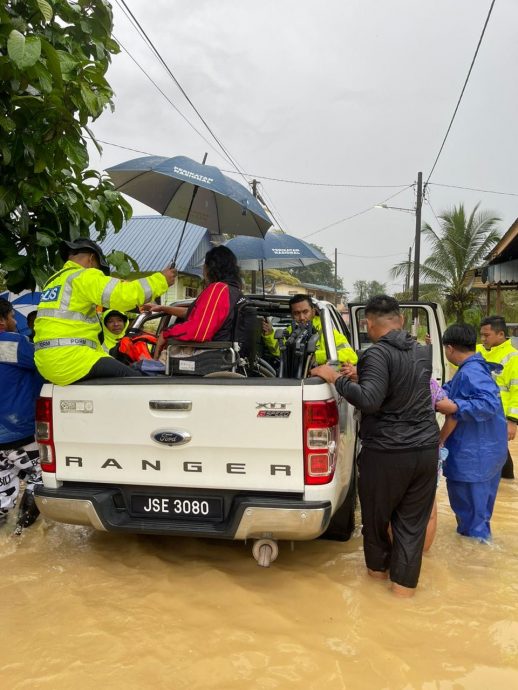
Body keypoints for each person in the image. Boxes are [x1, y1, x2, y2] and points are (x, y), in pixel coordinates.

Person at [311, 295, 439, 598]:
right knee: (410, 529)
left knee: (376, 523)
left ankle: (375, 583)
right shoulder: (422, 351)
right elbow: (402, 386)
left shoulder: (376, 353)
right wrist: (363, 375)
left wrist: (334, 379)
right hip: (425, 451)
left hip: (387, 452)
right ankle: (402, 598)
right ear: (402, 320)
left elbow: (369, 401)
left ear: (368, 324)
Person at [34, 239, 175, 385]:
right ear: (92, 259)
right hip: (71, 359)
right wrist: (161, 280)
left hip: (46, 362)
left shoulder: (53, 281)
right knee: (137, 381)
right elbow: (123, 295)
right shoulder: (83, 276)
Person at [436, 324, 507, 542]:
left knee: (473, 520)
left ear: (449, 349)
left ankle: (476, 560)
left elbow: (488, 403)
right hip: (485, 454)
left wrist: (455, 407)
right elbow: (454, 391)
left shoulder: (471, 372)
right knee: (478, 516)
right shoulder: (475, 368)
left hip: (473, 457)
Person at [152, 245, 243, 357]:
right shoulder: (234, 291)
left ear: (211, 267)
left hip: (205, 356)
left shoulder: (218, 289)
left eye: (204, 265)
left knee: (137, 368)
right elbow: (195, 313)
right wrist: (163, 308)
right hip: (221, 354)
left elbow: (199, 331)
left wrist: (167, 333)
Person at [0, 299, 43, 531]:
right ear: (2, 320)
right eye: (12, 316)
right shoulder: (15, 344)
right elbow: (46, 366)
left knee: (2, 492)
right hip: (21, 434)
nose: (15, 321)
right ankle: (23, 534)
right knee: (40, 478)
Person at [262, 293, 358, 366]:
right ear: (292, 315)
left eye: (305, 312)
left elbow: (351, 356)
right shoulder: (290, 331)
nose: (302, 317)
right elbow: (279, 351)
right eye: (297, 313)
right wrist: (270, 334)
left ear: (313, 311)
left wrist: (316, 357)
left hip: (318, 382)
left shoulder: (326, 330)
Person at [479, 315, 518, 479]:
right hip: (482, 412)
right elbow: (455, 360)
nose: (483, 339)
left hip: (500, 416)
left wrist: (512, 421)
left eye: (486, 335)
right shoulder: (479, 350)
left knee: (500, 452)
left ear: (500, 334)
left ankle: (507, 482)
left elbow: (517, 391)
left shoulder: (513, 357)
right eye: (481, 335)